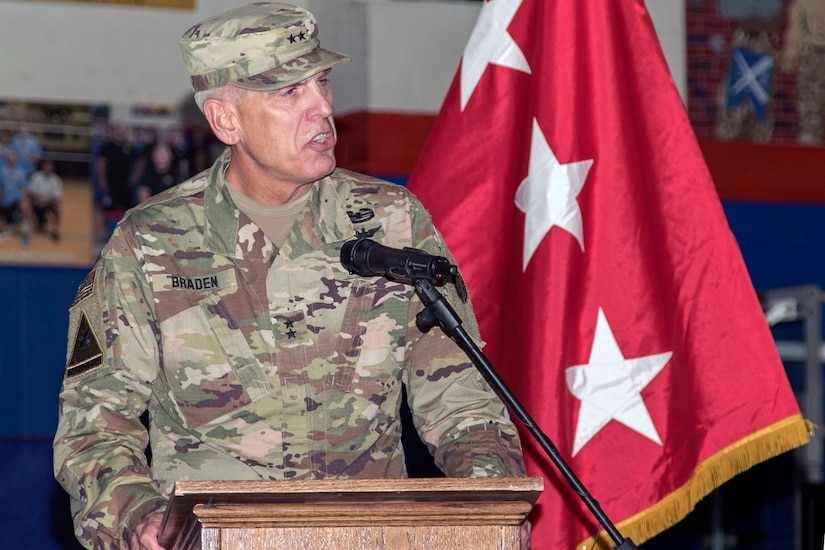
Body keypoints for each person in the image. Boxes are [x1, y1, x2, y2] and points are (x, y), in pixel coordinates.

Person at [53, 4, 528, 550]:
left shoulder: (392, 221)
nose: (323, 107)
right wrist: (138, 515)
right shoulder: (149, 242)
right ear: (225, 119)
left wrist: (487, 507)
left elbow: (461, 399)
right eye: (289, 93)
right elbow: (96, 422)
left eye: (321, 82)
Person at [779, 0, 825, 143]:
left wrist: (788, 60)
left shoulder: (802, 3)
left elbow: (795, 33)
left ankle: (809, 156)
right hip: (810, 58)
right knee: (809, 114)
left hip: (810, 57)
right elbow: (796, 33)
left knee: (809, 117)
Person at [21, 158, 63, 242]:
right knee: (26, 206)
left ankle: (55, 230)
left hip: (48, 203)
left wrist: (46, 200)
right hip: (36, 203)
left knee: (57, 207)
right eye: (46, 165)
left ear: (52, 168)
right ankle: (26, 232)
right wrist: (38, 199)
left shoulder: (56, 180)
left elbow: (57, 197)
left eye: (49, 166)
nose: (47, 168)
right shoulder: (36, 176)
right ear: (43, 166)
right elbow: (30, 192)